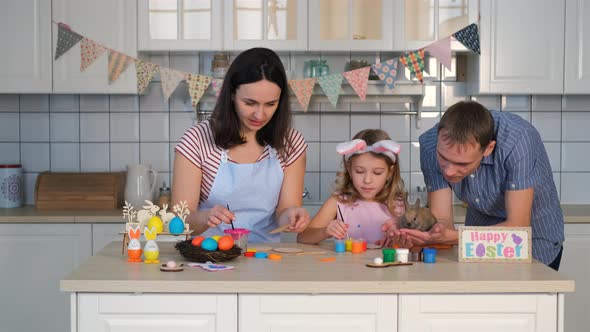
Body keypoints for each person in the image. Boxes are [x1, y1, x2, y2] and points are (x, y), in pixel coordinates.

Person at [391, 101, 564, 270]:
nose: (449, 172)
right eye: (443, 158)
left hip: (535, 241)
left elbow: (518, 228)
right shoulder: (430, 146)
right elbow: (442, 221)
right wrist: (428, 232)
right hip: (476, 241)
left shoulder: (519, 140)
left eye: (462, 164)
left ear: (488, 149)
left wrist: (455, 237)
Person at [172, 47, 310, 243]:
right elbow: (181, 219)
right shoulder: (196, 140)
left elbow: (284, 211)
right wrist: (205, 217)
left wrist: (292, 216)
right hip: (208, 258)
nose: (260, 115)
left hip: (264, 259)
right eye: (249, 103)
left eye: (270, 104)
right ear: (231, 94)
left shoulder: (291, 144)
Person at [298, 129, 407, 246]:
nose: (367, 180)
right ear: (349, 170)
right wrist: (325, 232)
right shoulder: (338, 202)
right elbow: (303, 237)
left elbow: (414, 247)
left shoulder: (399, 206)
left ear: (390, 172)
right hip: (346, 265)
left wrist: (400, 238)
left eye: (377, 172)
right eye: (359, 171)